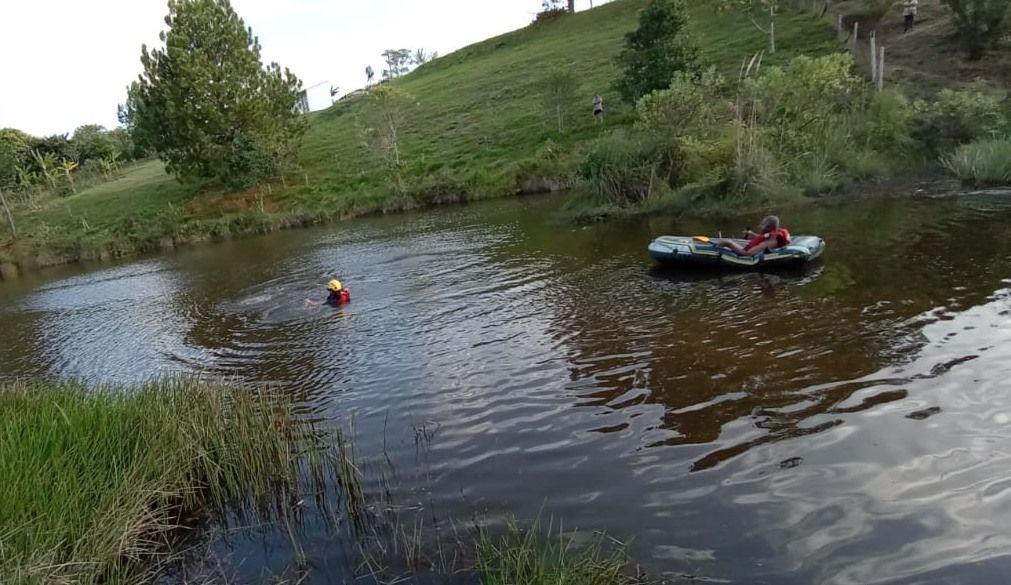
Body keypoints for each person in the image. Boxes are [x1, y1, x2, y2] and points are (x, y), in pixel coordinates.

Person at [714, 215, 791, 256]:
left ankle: (713, 251)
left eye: (762, 225)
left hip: (746, 252)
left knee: (726, 242)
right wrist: (752, 234)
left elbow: (749, 253)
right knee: (729, 242)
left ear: (768, 227)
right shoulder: (773, 236)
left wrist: (744, 250)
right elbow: (763, 238)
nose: (760, 226)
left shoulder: (770, 241)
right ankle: (717, 247)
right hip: (749, 249)